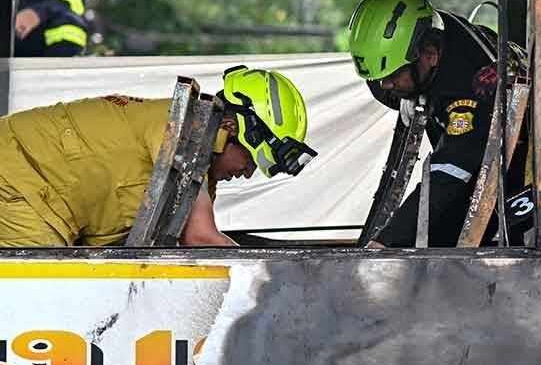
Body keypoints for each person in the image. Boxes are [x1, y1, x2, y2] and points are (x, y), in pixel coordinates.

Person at [0, 66, 314, 247]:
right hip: (18, 178)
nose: (247, 173)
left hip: (35, 194)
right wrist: (267, 277)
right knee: (43, 303)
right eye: (249, 159)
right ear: (231, 127)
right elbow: (200, 237)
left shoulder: (196, 172)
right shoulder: (187, 129)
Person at [348, 0, 527, 247]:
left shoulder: (470, 87)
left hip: (517, 165)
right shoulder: (417, 37)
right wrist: (404, 96)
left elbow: (447, 177)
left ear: (430, 54)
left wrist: (384, 244)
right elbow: (380, 82)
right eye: (379, 78)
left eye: (393, 77)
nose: (384, 85)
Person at [15, 0, 90, 57]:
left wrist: (37, 13)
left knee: (69, 23)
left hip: (45, 32)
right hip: (10, 37)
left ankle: (61, 66)